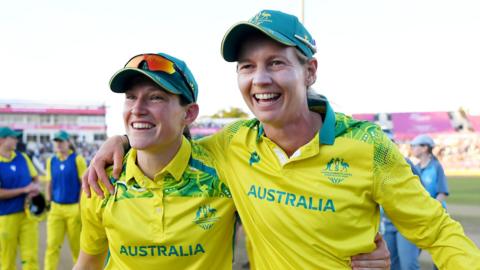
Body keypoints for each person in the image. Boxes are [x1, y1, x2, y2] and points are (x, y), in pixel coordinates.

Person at [84, 10, 480, 269]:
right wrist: (119, 140)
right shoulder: (231, 145)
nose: (260, 79)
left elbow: (439, 232)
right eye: (247, 66)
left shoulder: (368, 145)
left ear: (309, 71)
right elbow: (164, 141)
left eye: (276, 63)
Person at [74, 52, 238, 269]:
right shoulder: (102, 180)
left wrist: (122, 141)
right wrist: (122, 140)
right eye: (131, 97)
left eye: (155, 97)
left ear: (189, 114)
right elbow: (88, 264)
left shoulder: (224, 169)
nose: (137, 109)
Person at [44, 130, 87, 270]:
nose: (59, 144)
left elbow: (84, 183)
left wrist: (81, 206)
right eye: (56, 141)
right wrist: (48, 200)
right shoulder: (51, 160)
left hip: (73, 208)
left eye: (61, 141)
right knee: (52, 245)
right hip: (56, 208)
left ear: (68, 142)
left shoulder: (77, 159)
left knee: (77, 247)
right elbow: (49, 182)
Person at [0, 126, 40, 270]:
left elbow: (35, 178)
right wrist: (24, 189)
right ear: (3, 140)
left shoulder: (22, 157)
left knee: (30, 258)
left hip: (28, 216)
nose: (17, 140)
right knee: (7, 260)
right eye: (13, 137)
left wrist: (35, 188)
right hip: (5, 218)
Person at [381, 130, 421, 270]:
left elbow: (421, 191)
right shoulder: (374, 165)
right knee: (391, 264)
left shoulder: (405, 163)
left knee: (409, 265)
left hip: (407, 222)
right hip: (388, 223)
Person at [410, 134, 449, 270]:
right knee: (412, 252)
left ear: (425, 148)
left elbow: (442, 193)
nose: (412, 148)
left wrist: (430, 210)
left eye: (414, 145)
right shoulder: (414, 167)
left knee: (438, 251)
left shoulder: (436, 167)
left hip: (435, 216)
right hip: (419, 217)